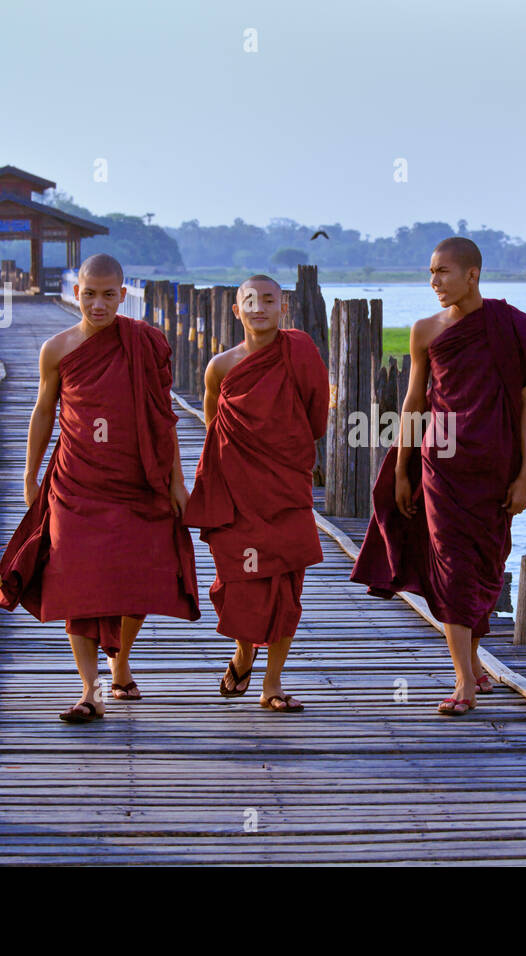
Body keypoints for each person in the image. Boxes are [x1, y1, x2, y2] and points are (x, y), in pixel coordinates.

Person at [0, 253, 200, 722]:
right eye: (89, 294)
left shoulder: (147, 343)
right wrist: (29, 474)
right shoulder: (57, 349)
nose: (98, 304)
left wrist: (176, 480)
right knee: (76, 582)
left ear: (123, 296)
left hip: (137, 481)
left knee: (135, 580)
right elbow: (44, 412)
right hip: (75, 482)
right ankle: (90, 690)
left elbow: (162, 417)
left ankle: (120, 663)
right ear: (76, 292)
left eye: (109, 295)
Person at [350, 237, 526, 716]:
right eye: (430, 272)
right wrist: (400, 470)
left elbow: (523, 403)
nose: (434, 282)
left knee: (485, 565)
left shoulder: (513, 326)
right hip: (441, 466)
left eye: (443, 272)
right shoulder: (425, 331)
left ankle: (473, 664)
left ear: (472, 275)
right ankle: (463, 683)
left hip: (493, 467)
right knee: (453, 566)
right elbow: (414, 403)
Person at [183, 274, 328, 713]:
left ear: (283, 307)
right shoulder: (221, 366)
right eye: (251, 300)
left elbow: (314, 414)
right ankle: (245, 652)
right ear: (236, 309)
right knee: (240, 582)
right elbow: (215, 424)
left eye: (270, 300)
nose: (260, 308)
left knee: (286, 584)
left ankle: (273, 682)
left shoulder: (299, 350)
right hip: (236, 492)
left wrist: (284, 450)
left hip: (285, 488)